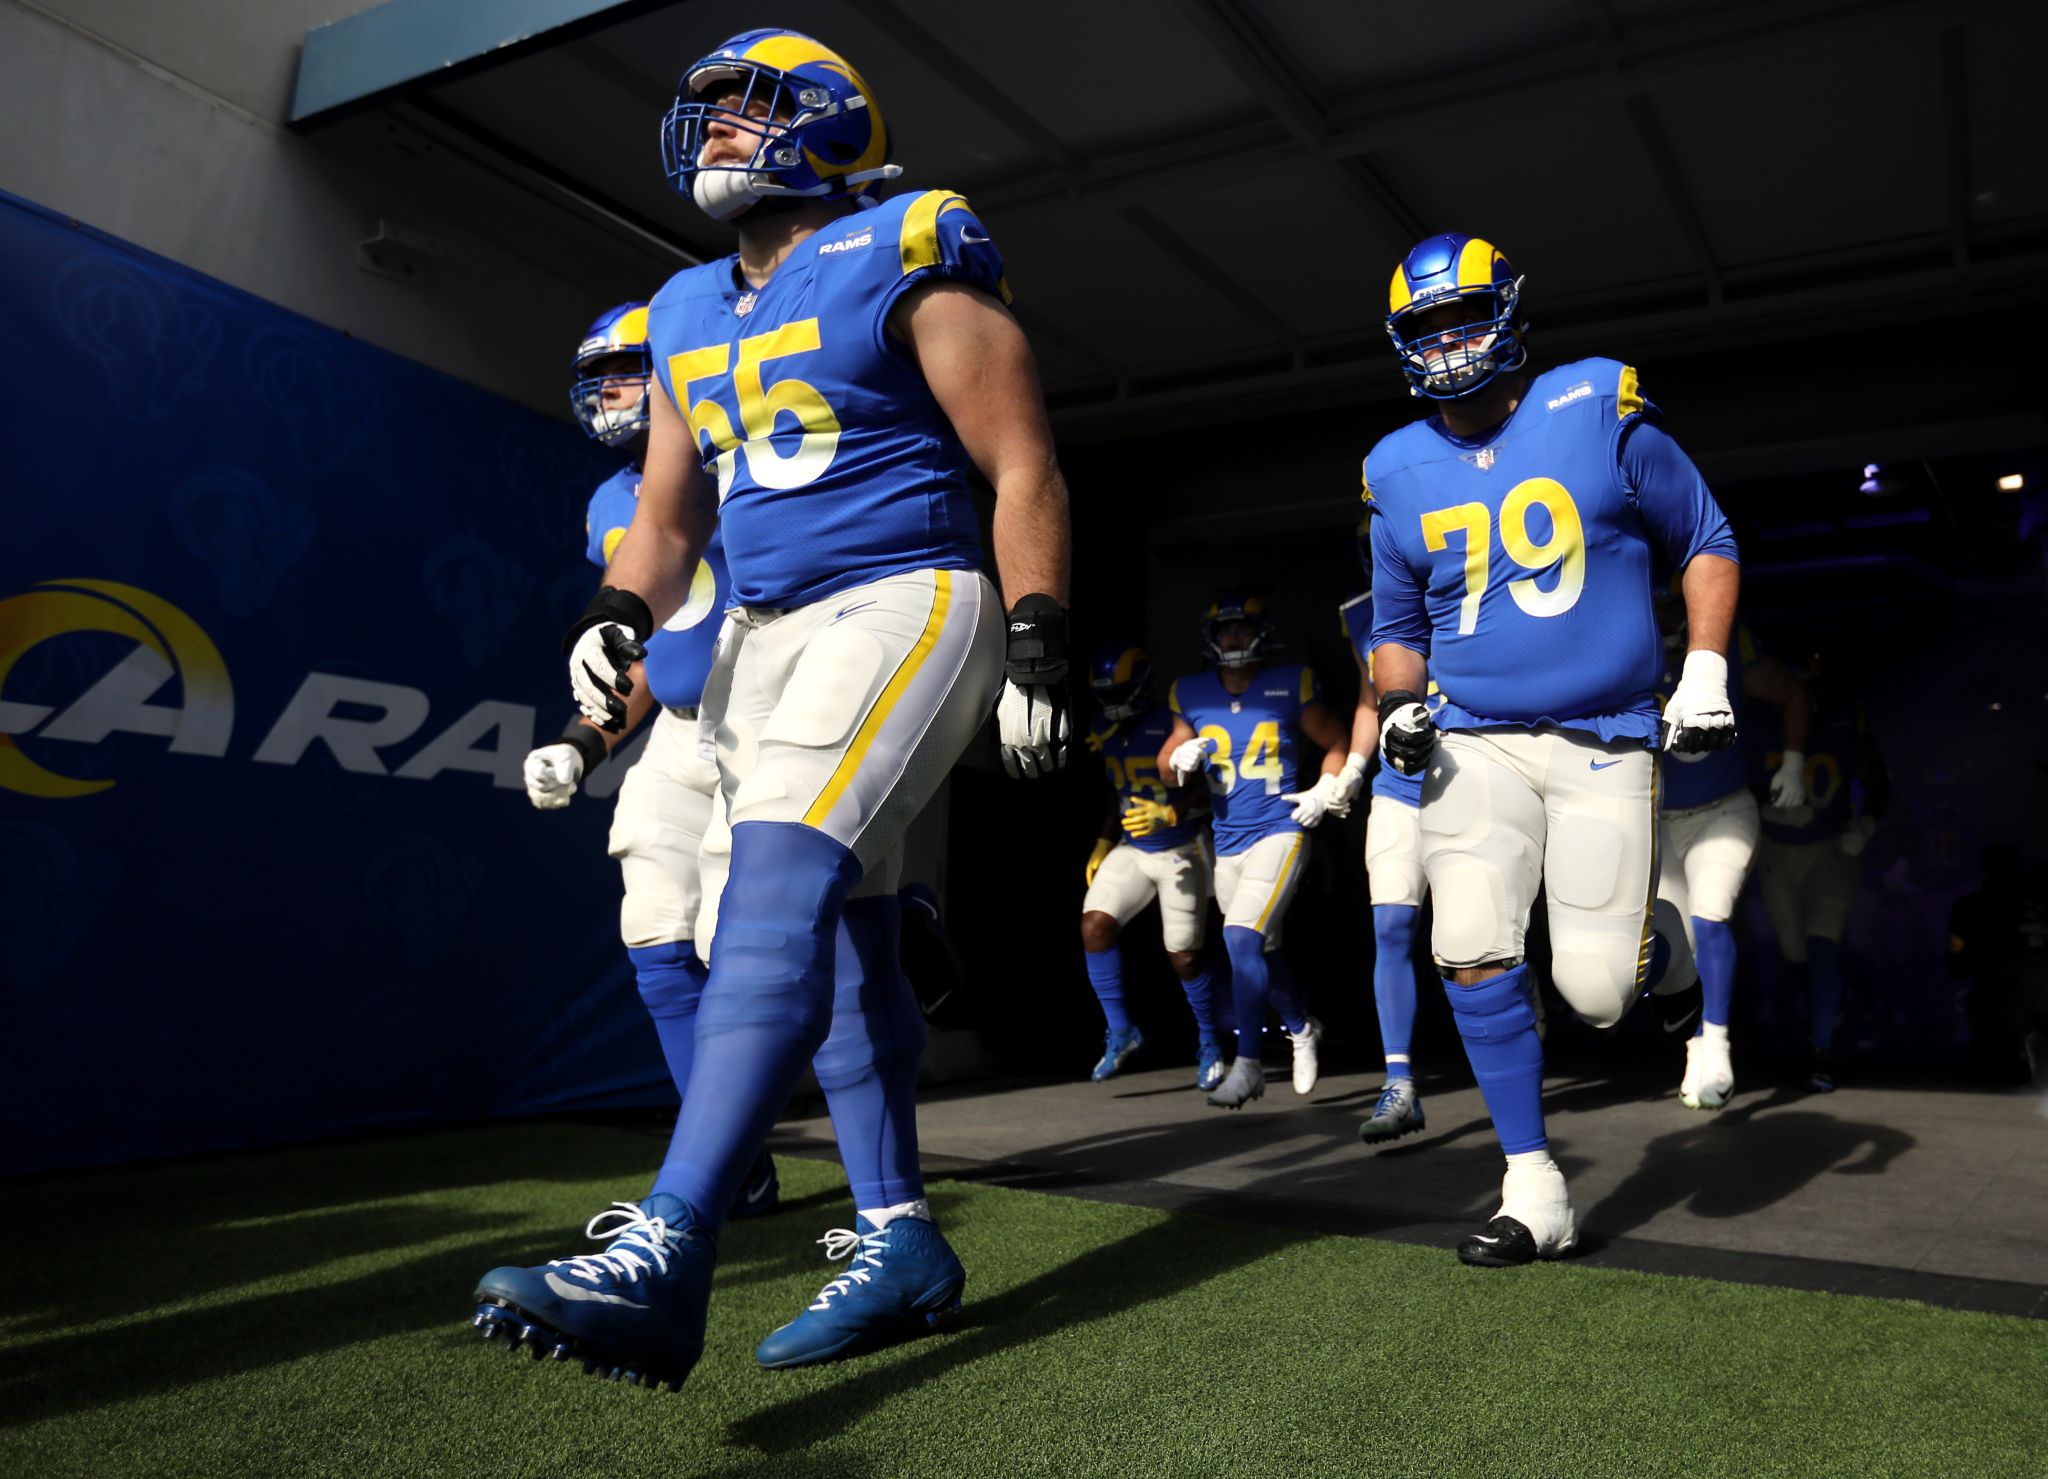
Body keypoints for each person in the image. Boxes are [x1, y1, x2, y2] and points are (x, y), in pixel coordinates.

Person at [473, 27, 1072, 1389]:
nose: (714, 134)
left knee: (771, 887)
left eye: (741, 110)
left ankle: (668, 1244)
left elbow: (1022, 458)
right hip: (759, 632)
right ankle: (901, 1233)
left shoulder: (908, 239)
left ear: (825, 118)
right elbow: (668, 516)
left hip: (902, 589)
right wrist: (611, 617)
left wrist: (1037, 628)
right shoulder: (683, 305)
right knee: (844, 941)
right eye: (703, 113)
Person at [1365, 232, 1734, 1266]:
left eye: (1461, 315)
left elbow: (1703, 538)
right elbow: (1395, 625)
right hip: (1471, 737)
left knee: (1594, 993)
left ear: (1509, 312)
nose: (1446, 343)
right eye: (1424, 327)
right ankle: (1532, 1187)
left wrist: (1701, 668)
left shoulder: (1594, 404)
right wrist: (1397, 703)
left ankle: (1660, 952)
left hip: (1602, 737)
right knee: (1470, 946)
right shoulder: (1392, 468)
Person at [519, 301, 781, 1215]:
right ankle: (735, 1164)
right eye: (600, 375)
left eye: (628, 369)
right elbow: (636, 652)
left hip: (769, 709)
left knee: (738, 943)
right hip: (677, 728)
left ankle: (890, 909)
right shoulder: (606, 502)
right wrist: (584, 737)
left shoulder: (753, 451)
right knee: (657, 938)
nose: (609, 393)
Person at [1158, 594, 1359, 1109]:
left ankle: (1248, 1064)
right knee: (1261, 950)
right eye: (1224, 631)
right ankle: (1301, 1027)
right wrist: (1177, 759)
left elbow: (1336, 741)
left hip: (1279, 830)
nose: (1232, 639)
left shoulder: (1291, 681)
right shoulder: (1192, 692)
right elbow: (1165, 765)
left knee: (1241, 940)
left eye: (1241, 630)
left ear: (1260, 634)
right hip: (1228, 841)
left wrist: (1325, 787)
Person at [1654, 609, 1813, 1110]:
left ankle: (1717, 1042)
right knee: (1672, 944)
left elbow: (1791, 692)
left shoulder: (1726, 640)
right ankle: (1695, 1045)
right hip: (1657, 822)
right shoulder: (1619, 640)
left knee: (1710, 917)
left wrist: (1794, 762)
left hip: (1722, 809)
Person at [1078, 643, 1225, 1087]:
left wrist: (1178, 812)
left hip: (1182, 845)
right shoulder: (1104, 725)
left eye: (1121, 690)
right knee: (1094, 927)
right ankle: (1122, 1032)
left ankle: (1211, 1042)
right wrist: (1104, 841)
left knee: (1184, 956)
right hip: (1134, 846)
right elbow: (1115, 789)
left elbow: (1219, 783)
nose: (1112, 702)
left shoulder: (1174, 722)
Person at [1752, 657, 1889, 1091]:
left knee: (1821, 945)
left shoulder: (1846, 715)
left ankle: (1821, 1051)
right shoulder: (1755, 717)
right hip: (1777, 851)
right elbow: (1721, 783)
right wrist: (1762, 811)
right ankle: (1816, 1019)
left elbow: (1878, 783)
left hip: (1831, 849)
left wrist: (1867, 826)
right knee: (1796, 956)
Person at [1338, 520, 1431, 1143]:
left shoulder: (1465, 587)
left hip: (1472, 784)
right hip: (1398, 788)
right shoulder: (1360, 615)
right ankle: (1399, 1080)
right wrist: (1351, 765)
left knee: (1469, 945)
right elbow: (1371, 697)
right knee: (1391, 925)